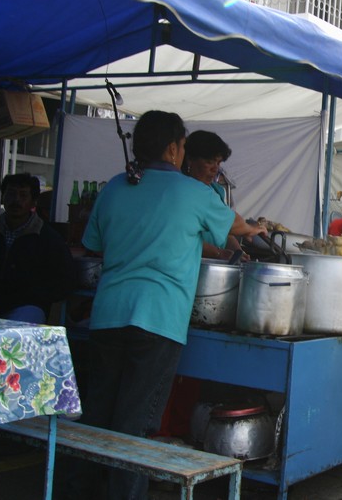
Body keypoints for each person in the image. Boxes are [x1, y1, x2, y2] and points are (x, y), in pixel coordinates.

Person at [69, 111, 265, 499]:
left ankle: (80, 491)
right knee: (134, 421)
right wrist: (257, 228)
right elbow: (235, 227)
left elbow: (93, 244)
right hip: (157, 319)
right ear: (175, 148)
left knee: (98, 414)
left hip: (108, 314)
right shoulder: (192, 192)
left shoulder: (114, 187)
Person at [0, 173, 75, 323]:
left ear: (33, 202)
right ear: (3, 198)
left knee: (20, 328)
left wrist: (36, 297)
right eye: (11, 194)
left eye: (23, 195)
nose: (16, 200)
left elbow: (64, 279)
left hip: (26, 307)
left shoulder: (48, 238)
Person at [182, 130, 251, 261]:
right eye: (209, 162)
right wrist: (218, 253)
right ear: (190, 159)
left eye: (218, 163)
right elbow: (181, 238)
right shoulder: (181, 192)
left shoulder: (218, 192)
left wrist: (238, 252)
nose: (215, 169)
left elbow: (226, 232)